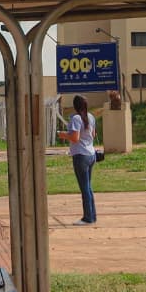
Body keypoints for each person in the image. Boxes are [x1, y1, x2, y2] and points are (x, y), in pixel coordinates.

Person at [57, 95, 97, 225]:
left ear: (75, 106)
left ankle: (88, 217)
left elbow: (75, 138)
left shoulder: (76, 118)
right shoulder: (91, 117)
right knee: (88, 187)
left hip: (80, 155)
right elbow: (93, 134)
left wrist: (63, 135)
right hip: (91, 153)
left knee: (84, 188)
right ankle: (92, 215)